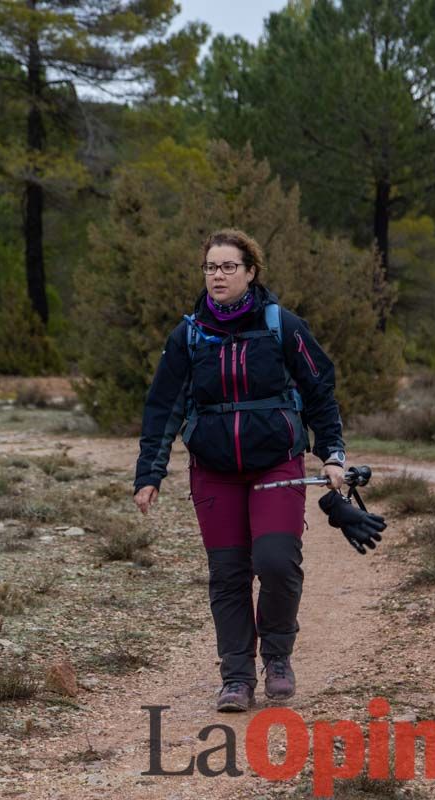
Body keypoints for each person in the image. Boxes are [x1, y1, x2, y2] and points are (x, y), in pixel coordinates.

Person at [133, 228, 348, 712]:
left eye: (229, 266)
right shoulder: (188, 336)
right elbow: (162, 407)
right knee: (228, 574)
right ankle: (236, 676)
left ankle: (276, 658)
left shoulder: (281, 326)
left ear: (250, 273)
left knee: (275, 561)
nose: (218, 275)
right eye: (211, 267)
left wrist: (332, 452)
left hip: (276, 463)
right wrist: (150, 473)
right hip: (214, 470)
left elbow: (319, 391)